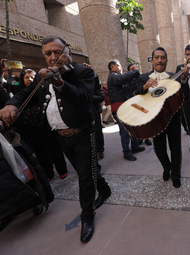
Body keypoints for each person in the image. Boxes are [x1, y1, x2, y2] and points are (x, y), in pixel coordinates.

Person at [0, 36, 111, 243]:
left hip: (83, 133)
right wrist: (11, 105)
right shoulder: (42, 77)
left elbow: (84, 97)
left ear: (68, 51)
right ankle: (104, 189)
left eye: (57, 52)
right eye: (48, 54)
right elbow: (25, 94)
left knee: (85, 177)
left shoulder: (82, 72)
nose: (53, 57)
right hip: (61, 136)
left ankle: (87, 216)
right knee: (83, 170)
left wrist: (59, 83)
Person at [136, 47, 182, 188]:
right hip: (155, 121)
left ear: (166, 61)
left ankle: (175, 174)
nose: (160, 60)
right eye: (157, 57)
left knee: (175, 148)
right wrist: (144, 87)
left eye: (162, 57)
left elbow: (183, 95)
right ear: (152, 60)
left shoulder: (174, 75)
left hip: (173, 118)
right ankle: (166, 166)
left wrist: (184, 80)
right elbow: (135, 96)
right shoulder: (144, 77)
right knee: (159, 149)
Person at [15, 68, 69, 181]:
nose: (29, 79)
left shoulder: (43, 87)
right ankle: (48, 173)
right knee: (40, 152)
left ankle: (62, 170)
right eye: (26, 77)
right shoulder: (20, 91)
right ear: (22, 79)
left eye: (32, 77)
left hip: (46, 123)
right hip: (30, 128)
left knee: (54, 147)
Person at [107, 59, 145, 161]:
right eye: (119, 65)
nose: (121, 67)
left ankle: (135, 147)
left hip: (126, 107)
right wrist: (135, 71)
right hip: (119, 109)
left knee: (132, 128)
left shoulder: (119, 77)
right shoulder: (113, 76)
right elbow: (121, 79)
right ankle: (126, 152)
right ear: (112, 67)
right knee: (125, 131)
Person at [127, 63, 152, 146]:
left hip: (144, 101)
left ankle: (147, 138)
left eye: (135, 68)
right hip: (135, 103)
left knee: (146, 120)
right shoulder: (128, 81)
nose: (134, 69)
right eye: (132, 69)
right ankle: (141, 138)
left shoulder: (142, 77)